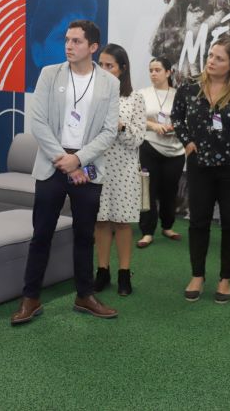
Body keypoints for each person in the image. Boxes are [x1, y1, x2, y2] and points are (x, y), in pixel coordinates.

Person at [10, 20, 121, 324]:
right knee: (41, 235)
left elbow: (109, 131)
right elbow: (39, 123)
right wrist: (64, 159)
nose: (69, 46)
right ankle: (30, 298)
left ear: (93, 47)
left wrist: (80, 160)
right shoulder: (50, 74)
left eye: (77, 41)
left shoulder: (109, 83)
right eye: (67, 40)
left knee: (85, 236)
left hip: (88, 169)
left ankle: (84, 295)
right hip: (52, 165)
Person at [171, 37, 230, 303]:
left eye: (219, 58)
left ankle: (225, 279)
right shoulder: (190, 86)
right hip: (200, 166)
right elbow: (177, 115)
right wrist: (187, 141)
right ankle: (197, 275)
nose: (211, 61)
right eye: (210, 56)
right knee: (198, 221)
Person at [93, 44, 146, 296]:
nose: (104, 70)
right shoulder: (90, 93)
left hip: (123, 169)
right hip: (97, 166)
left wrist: (122, 126)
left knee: (122, 223)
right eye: (100, 65)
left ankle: (124, 273)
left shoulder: (134, 98)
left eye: (109, 66)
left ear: (122, 69)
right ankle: (102, 271)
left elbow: (138, 139)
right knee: (101, 221)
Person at [136, 57, 186, 248]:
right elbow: (135, 118)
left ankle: (167, 226)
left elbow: (185, 118)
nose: (153, 74)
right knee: (147, 191)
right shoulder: (142, 94)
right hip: (150, 147)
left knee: (170, 191)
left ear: (168, 72)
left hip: (175, 150)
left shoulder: (179, 95)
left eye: (157, 70)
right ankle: (147, 231)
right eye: (151, 70)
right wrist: (153, 126)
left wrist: (174, 126)